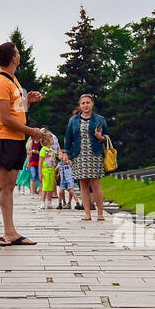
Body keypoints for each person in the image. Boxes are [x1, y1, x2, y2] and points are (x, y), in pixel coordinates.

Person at [0, 41, 48, 246]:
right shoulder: (1, 82)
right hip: (4, 139)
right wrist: (33, 132)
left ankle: (10, 231)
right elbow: (4, 118)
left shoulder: (13, 80)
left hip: (16, 139)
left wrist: (27, 101)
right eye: (17, 53)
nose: (19, 55)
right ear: (13, 58)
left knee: (9, 186)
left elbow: (17, 111)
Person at [64, 93, 109, 222]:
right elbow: (69, 137)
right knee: (82, 184)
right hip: (79, 154)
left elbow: (108, 135)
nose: (85, 105)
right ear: (80, 105)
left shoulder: (100, 119)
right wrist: (66, 152)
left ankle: (100, 213)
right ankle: (87, 213)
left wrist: (102, 138)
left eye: (88, 102)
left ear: (92, 104)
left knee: (95, 184)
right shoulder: (73, 120)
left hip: (94, 154)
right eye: (83, 103)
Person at [38, 132, 60, 208]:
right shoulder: (43, 150)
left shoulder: (51, 150)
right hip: (45, 170)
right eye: (51, 139)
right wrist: (40, 172)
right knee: (45, 186)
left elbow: (53, 160)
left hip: (51, 170)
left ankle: (49, 202)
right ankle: (43, 202)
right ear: (46, 141)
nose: (53, 140)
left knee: (51, 187)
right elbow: (40, 162)